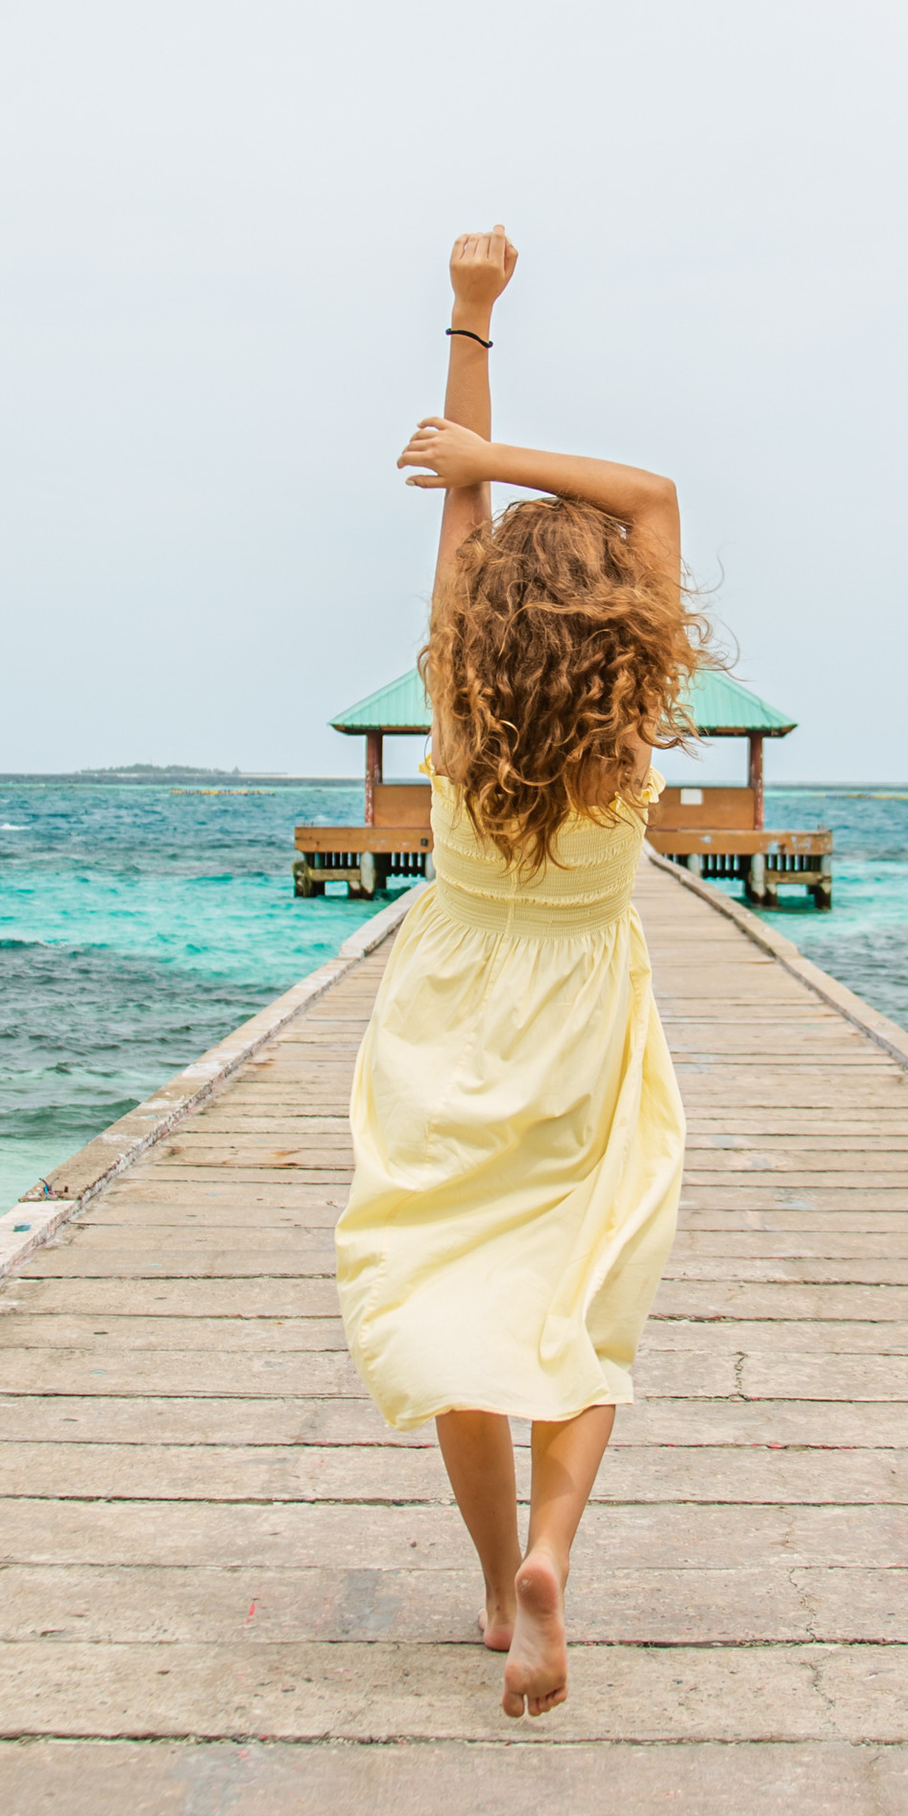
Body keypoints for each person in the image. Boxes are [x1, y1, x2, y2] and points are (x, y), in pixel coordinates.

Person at [334, 226, 702, 1716]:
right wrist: (505, 438)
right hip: (584, 1020)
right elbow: (652, 496)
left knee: (445, 1289)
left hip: (448, 1014)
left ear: (483, 623)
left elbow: (459, 500)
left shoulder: (456, 705)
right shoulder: (631, 730)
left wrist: (466, 314)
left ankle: (496, 1590)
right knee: (583, 1294)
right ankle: (555, 1552)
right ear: (625, 630)